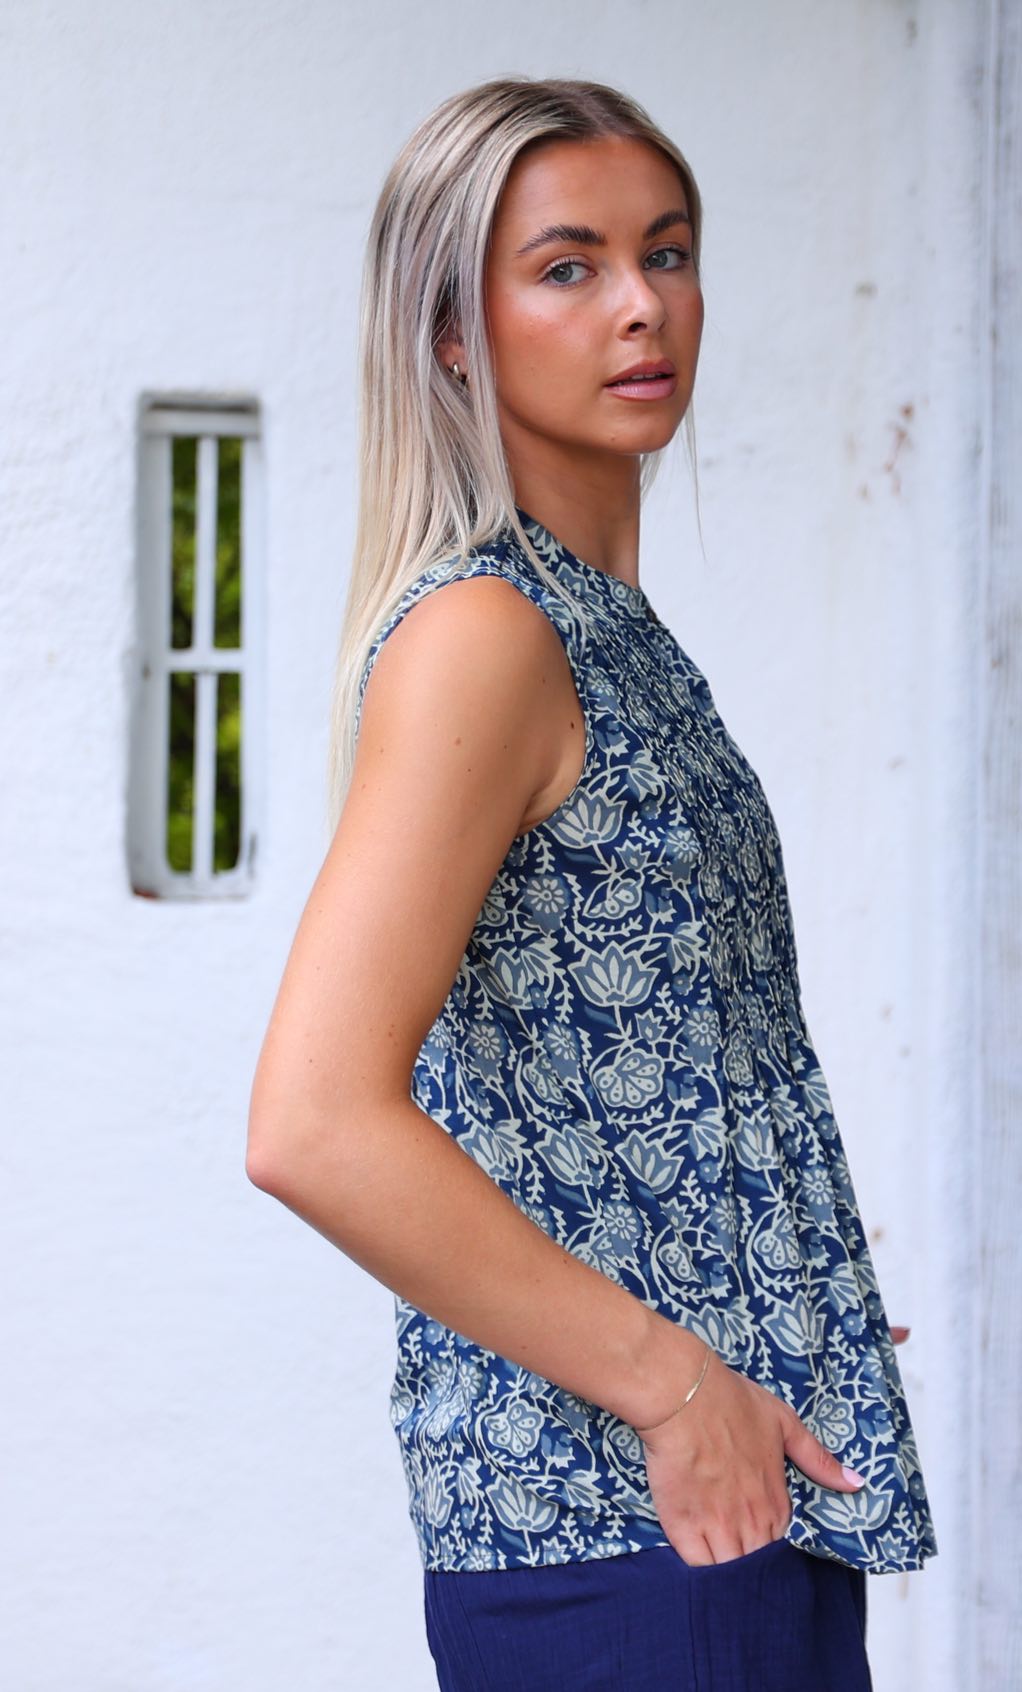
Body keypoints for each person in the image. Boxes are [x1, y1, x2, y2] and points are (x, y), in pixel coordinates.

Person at [246, 74, 937, 1692]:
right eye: (569, 267)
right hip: (625, 1530)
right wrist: (670, 1381)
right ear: (452, 336)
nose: (643, 306)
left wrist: (758, 1287)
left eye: (669, 251)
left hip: (715, 1508)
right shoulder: (490, 634)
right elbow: (314, 1123)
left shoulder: (605, 631)